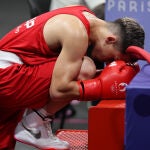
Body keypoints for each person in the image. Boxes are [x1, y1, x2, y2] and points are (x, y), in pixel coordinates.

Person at [0, 5, 145, 150]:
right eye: (113, 57)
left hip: (14, 72)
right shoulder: (77, 33)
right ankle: (34, 123)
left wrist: (105, 79)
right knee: (85, 68)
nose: (109, 62)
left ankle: (34, 123)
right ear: (110, 39)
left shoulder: (83, 14)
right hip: (8, 76)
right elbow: (59, 90)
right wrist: (103, 88)